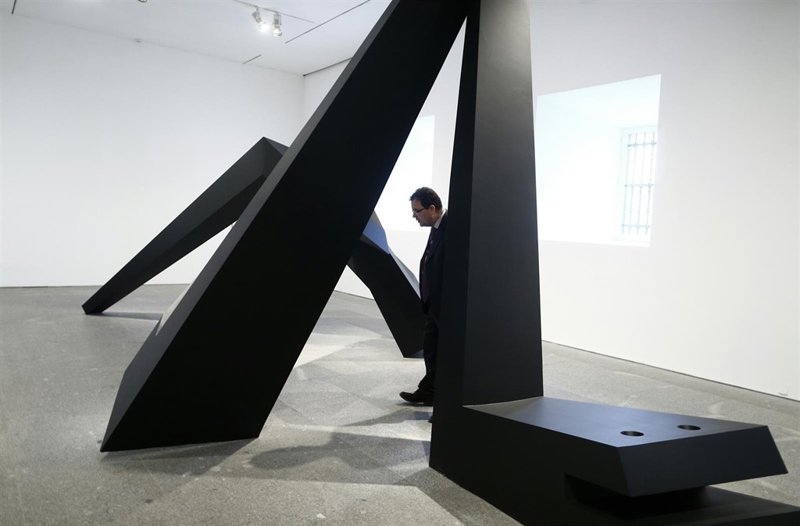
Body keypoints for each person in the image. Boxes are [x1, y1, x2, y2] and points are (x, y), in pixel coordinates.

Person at [400, 187, 447, 416]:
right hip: (431, 305)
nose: (414, 216)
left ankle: (443, 406)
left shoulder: (450, 228)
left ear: (432, 208)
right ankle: (429, 392)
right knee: (431, 350)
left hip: (444, 306)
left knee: (444, 355)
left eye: (416, 211)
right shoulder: (436, 227)